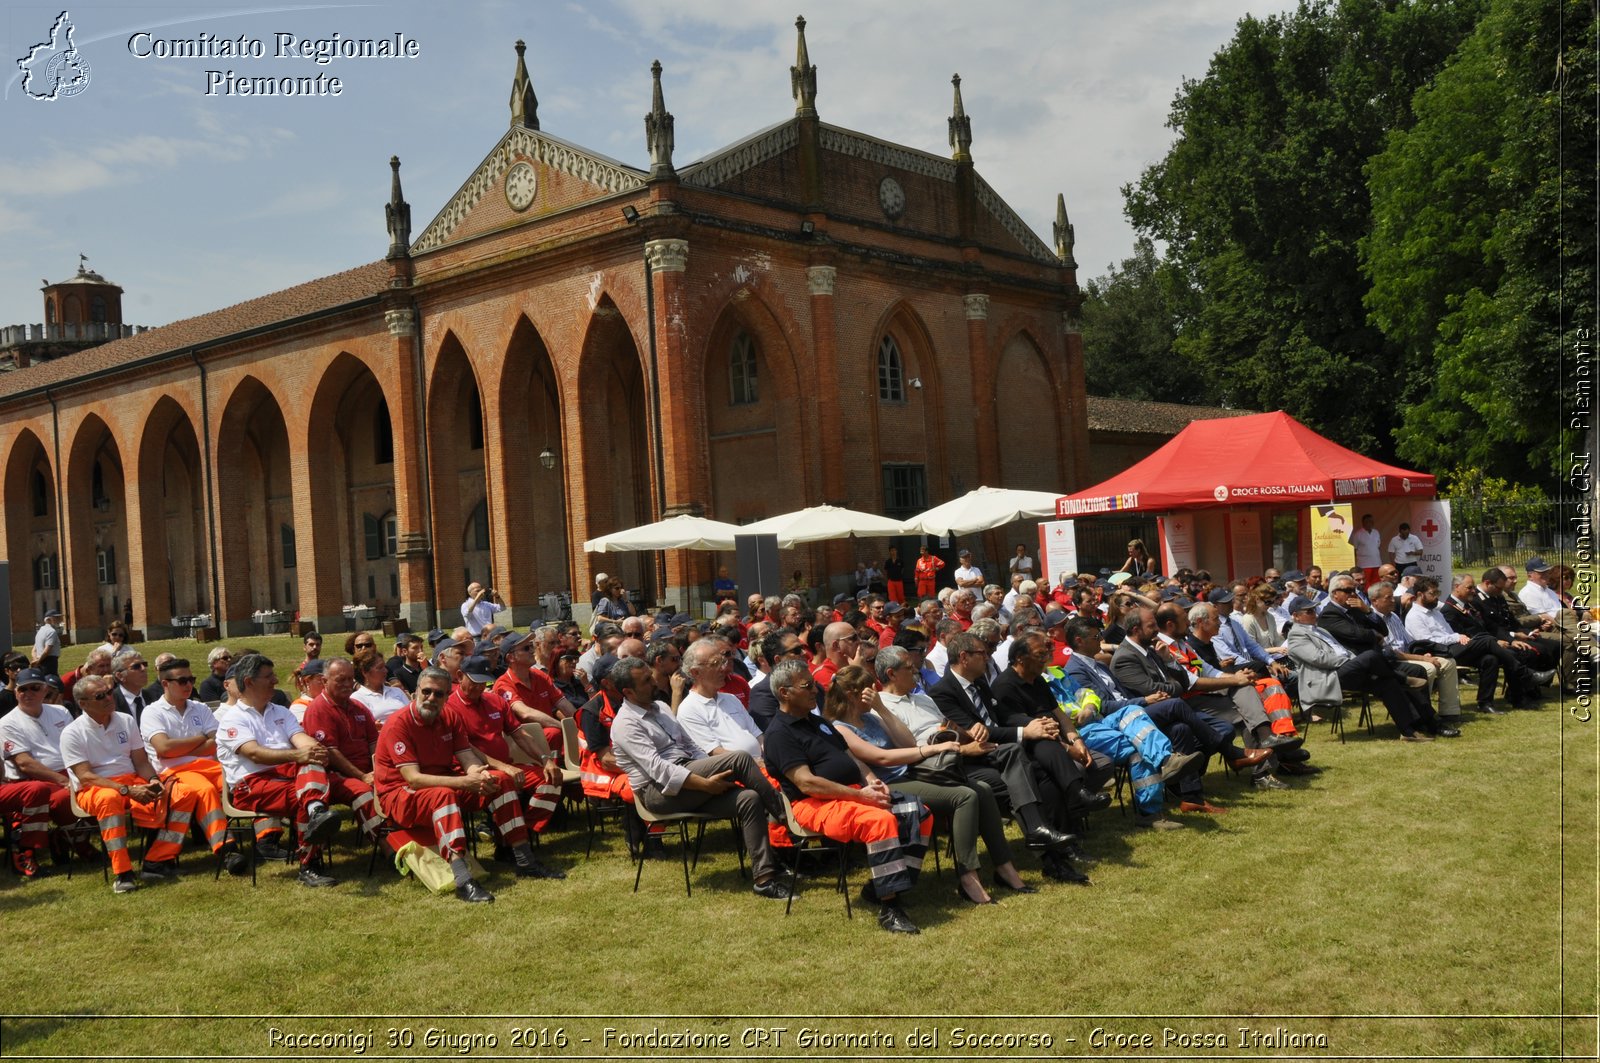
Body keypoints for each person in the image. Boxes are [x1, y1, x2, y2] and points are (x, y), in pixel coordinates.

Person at [831, 661, 1036, 905]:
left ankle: (1005, 867)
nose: (875, 692)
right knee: (964, 796)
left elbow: (907, 742)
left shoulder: (872, 718)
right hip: (889, 785)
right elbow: (881, 758)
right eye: (869, 689)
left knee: (982, 789)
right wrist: (932, 749)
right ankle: (968, 876)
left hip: (912, 774)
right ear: (854, 694)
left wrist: (883, 710)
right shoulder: (840, 728)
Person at [762, 658, 930, 933]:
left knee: (920, 812)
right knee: (880, 821)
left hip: (852, 794)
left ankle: (882, 887)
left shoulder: (817, 723)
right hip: (813, 804)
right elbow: (807, 783)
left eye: (814, 683)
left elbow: (851, 759)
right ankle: (890, 909)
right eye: (807, 685)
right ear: (785, 693)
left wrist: (872, 782)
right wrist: (862, 797)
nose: (815, 689)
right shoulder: (780, 734)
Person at [607, 656, 793, 901]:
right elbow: (659, 770)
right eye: (646, 681)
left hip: (690, 774)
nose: (655, 682)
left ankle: (764, 878)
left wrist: (706, 773)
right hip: (658, 793)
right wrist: (705, 784)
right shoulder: (625, 724)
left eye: (651, 676)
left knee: (749, 798)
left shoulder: (661, 708)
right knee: (739, 759)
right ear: (628, 692)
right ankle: (790, 820)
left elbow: (690, 746)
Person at [374, 667, 541, 902]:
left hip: (444, 783)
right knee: (443, 795)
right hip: (400, 795)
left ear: (446, 697)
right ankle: (463, 880)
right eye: (427, 692)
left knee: (500, 780)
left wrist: (478, 774)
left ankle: (525, 860)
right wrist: (464, 782)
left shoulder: (449, 717)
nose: (432, 698)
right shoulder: (398, 724)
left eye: (439, 694)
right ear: (415, 693)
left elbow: (466, 757)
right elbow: (414, 778)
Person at [925, 632, 1082, 862]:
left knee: (1046, 774)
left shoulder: (979, 682)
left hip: (1004, 751)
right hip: (976, 759)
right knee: (1026, 776)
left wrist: (1032, 723)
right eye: (982, 653)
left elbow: (997, 720)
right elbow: (977, 733)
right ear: (964, 657)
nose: (988, 657)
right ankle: (1049, 851)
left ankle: (1063, 842)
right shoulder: (943, 692)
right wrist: (1025, 731)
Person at [60, 674, 211, 892]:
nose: (109, 698)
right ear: (83, 704)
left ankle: (157, 860)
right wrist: (127, 791)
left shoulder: (126, 720)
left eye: (109, 692)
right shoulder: (72, 732)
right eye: (100, 696)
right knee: (110, 799)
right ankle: (122, 872)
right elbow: (85, 776)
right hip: (97, 787)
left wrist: (153, 781)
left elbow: (141, 762)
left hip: (132, 780)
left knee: (182, 793)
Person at [214, 653, 348, 888]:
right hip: (251, 786)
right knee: (305, 794)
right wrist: (300, 754)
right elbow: (254, 753)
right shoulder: (232, 719)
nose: (276, 680)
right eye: (269, 676)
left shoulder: (279, 711)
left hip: (286, 777)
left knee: (310, 772)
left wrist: (315, 749)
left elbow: (299, 738)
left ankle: (315, 810)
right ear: (249, 682)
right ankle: (309, 866)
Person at [448, 656, 566, 875]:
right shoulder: (450, 707)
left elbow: (519, 733)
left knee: (551, 778)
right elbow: (467, 748)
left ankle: (514, 837)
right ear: (459, 677)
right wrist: (503, 767)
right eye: (474, 681)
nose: (479, 687)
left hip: (506, 767)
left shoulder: (495, 701)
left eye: (483, 682)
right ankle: (522, 854)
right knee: (503, 781)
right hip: (474, 771)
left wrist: (545, 759)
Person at [1283, 595, 1443, 741]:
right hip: (1327, 678)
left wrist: (1353, 661)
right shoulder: (1296, 636)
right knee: (1370, 656)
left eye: (1314, 610)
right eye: (1309, 611)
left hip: (1344, 672)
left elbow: (1341, 650)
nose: (1315, 614)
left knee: (1387, 683)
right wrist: (1351, 660)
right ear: (1296, 616)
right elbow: (1319, 659)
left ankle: (1411, 730)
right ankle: (1402, 678)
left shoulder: (1320, 630)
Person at [139, 658, 232, 862]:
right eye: (182, 681)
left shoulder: (200, 708)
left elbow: (216, 741)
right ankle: (225, 847)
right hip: (174, 773)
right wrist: (201, 739)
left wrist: (179, 747)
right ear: (165, 683)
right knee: (205, 789)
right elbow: (163, 749)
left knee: (240, 780)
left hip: (209, 767)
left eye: (191, 679)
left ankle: (267, 838)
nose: (189, 685)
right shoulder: (152, 712)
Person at [0, 667, 81, 876]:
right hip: (34, 778)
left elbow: (77, 745)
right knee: (64, 798)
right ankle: (61, 843)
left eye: (34, 688)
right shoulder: (7, 723)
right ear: (15, 692)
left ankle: (67, 841)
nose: (28, 694)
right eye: (22, 689)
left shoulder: (61, 712)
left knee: (95, 787)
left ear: (45, 690)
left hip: (68, 771)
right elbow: (25, 764)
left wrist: (79, 772)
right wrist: (63, 780)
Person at [299, 658, 386, 842]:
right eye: (341, 680)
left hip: (367, 770)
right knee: (364, 793)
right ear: (324, 681)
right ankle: (387, 847)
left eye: (350, 679)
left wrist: (378, 770)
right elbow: (331, 752)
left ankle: (409, 836)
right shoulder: (318, 709)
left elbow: (374, 742)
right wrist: (363, 776)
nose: (347, 685)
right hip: (335, 774)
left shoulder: (358, 707)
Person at [1369, 581, 1462, 725]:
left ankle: (1450, 712)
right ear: (1375, 600)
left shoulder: (1393, 616)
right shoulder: (1372, 620)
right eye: (1389, 598)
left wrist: (1423, 654)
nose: (1394, 600)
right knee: (1429, 668)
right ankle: (1425, 713)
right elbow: (1390, 652)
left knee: (1448, 663)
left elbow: (1409, 641)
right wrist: (1421, 658)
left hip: (1409, 655)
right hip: (1394, 660)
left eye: (1393, 597)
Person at [351, 647, 411, 724]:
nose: (386, 671)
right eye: (380, 668)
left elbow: (411, 715)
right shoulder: (357, 698)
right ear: (365, 672)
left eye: (385, 667)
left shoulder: (397, 691)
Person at [108, 649, 151, 724]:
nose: (143, 669)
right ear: (120, 676)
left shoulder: (153, 697)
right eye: (136, 666)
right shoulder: (111, 702)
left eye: (144, 664)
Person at [1349, 513, 1383, 586]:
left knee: (1377, 583)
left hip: (1376, 563)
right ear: (1363, 523)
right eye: (1367, 521)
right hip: (1364, 564)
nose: (1370, 523)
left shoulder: (1376, 532)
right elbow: (1355, 549)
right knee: (1366, 583)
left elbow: (1378, 546)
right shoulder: (1358, 534)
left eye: (1371, 521)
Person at [31, 609, 63, 676]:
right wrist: (38, 661)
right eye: (56, 617)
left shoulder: (40, 631)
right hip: (50, 661)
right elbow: (47, 650)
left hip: (40, 661)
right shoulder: (51, 631)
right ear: (49, 619)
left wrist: (35, 660)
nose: (58, 619)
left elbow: (34, 650)